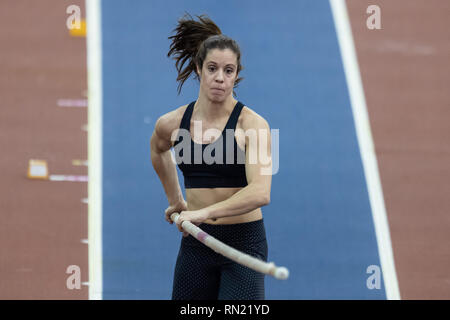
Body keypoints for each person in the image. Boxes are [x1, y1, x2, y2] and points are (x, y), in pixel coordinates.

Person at [150, 13, 273, 300]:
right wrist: (176, 200)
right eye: (213, 68)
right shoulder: (172, 123)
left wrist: (203, 213)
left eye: (228, 70)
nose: (220, 78)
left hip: (244, 243)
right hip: (196, 244)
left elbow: (260, 192)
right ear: (198, 69)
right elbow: (157, 150)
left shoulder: (252, 125)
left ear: (237, 74)